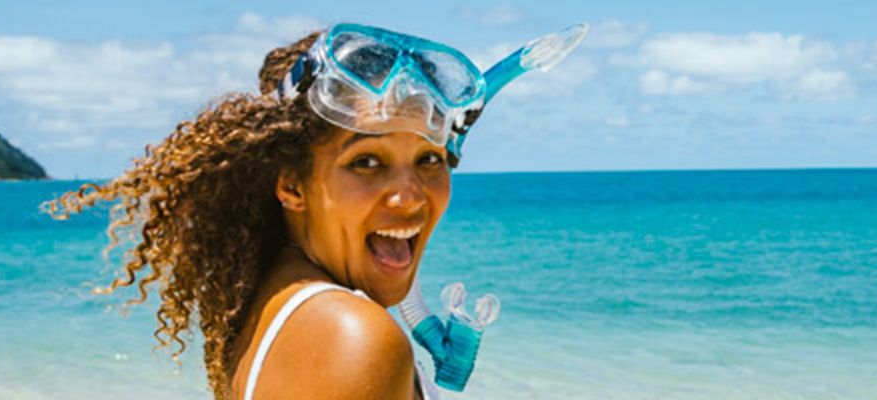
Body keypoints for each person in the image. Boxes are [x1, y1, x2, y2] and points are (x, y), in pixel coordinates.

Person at [44, 22, 585, 399]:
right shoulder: (353, 337)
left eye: (428, 158)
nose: (411, 195)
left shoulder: (280, 303)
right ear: (291, 184)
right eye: (367, 161)